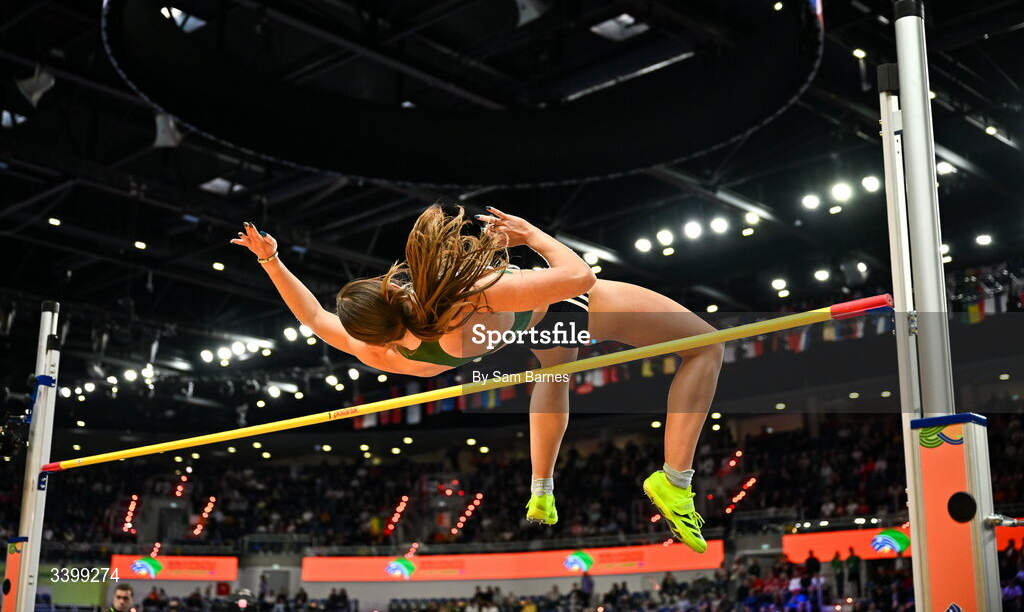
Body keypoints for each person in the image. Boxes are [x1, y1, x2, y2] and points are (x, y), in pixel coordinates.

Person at [233, 205, 723, 553]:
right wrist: (532, 236)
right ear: (390, 292)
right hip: (568, 307)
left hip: (516, 334)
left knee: (554, 374)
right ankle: (675, 481)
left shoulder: (379, 351)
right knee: (705, 345)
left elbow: (314, 317)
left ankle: (543, 489)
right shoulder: (467, 296)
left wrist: (270, 261)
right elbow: (579, 278)